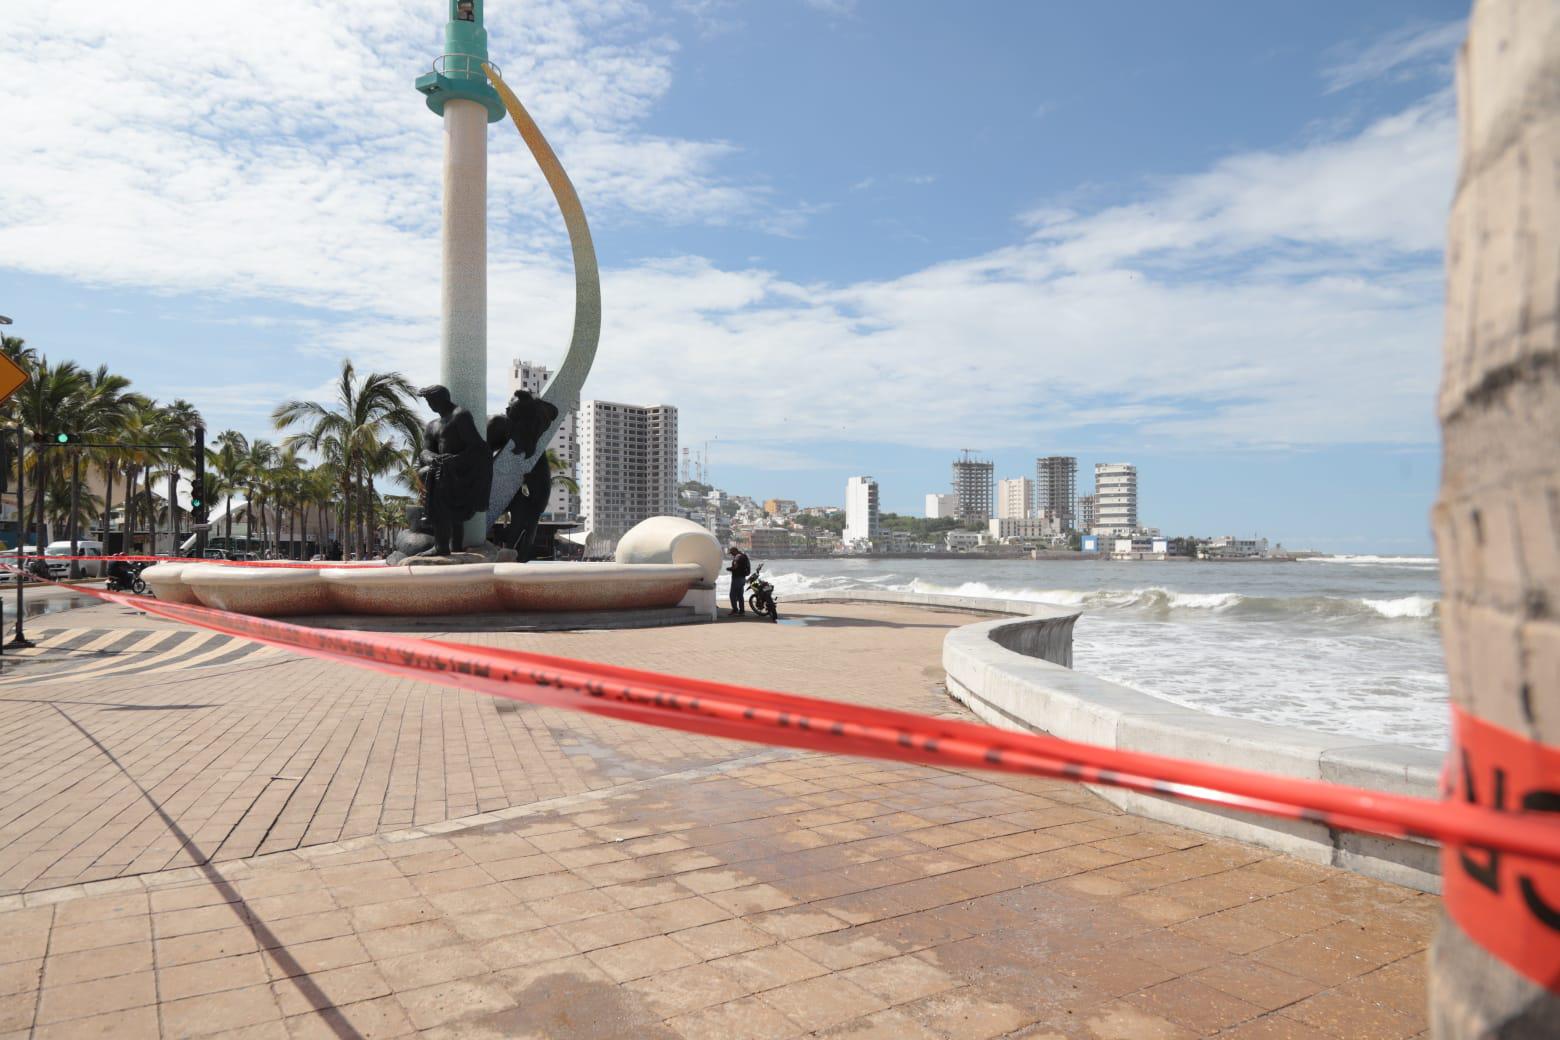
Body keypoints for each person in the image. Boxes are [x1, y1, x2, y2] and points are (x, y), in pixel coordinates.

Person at [727, 546, 751, 616]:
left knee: (732, 595)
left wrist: (729, 569)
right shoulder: (744, 556)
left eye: (731, 553)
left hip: (737, 578)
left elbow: (735, 567)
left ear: (735, 551)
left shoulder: (737, 557)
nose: (731, 554)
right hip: (743, 578)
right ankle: (742, 611)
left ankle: (735, 610)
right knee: (740, 595)